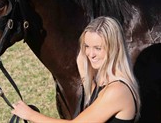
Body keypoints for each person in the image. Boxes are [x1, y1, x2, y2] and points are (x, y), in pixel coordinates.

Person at [11, 16, 141, 122]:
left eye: (98, 48)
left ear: (114, 49)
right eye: (87, 46)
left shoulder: (117, 91)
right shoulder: (103, 82)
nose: (91, 54)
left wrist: (30, 115)